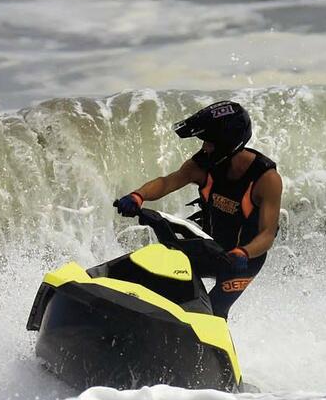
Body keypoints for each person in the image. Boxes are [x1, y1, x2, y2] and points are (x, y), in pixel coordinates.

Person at [115, 100, 282, 318]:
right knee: (159, 272)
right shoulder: (203, 165)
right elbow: (167, 182)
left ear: (226, 142)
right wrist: (138, 196)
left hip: (243, 261)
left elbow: (267, 234)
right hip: (211, 248)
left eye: (209, 142)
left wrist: (244, 253)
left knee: (213, 312)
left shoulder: (266, 179)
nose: (204, 147)